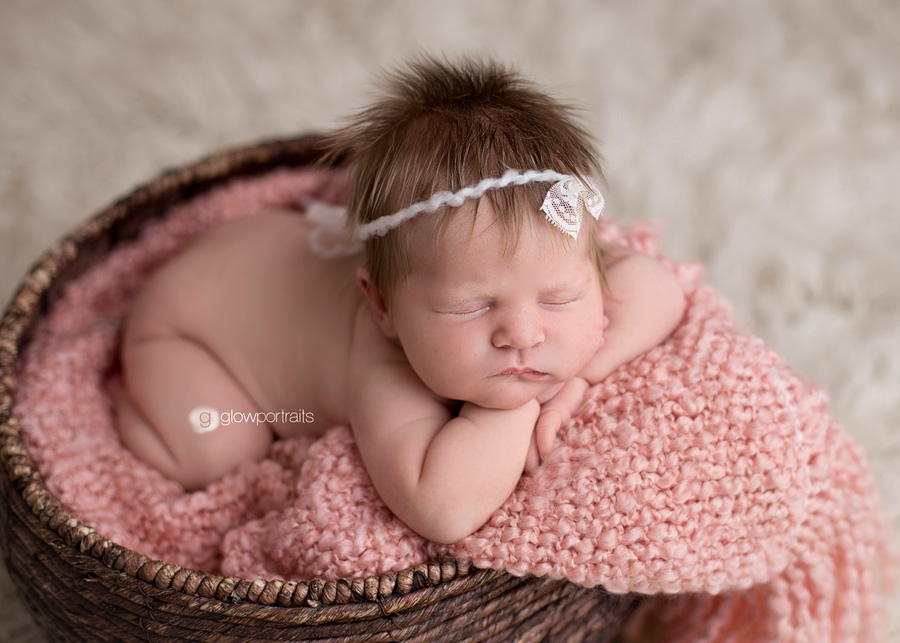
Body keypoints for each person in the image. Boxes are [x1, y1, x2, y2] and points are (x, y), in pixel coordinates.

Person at [112, 57, 686, 544]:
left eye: (559, 299)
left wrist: (585, 376)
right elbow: (441, 508)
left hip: (256, 254)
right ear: (383, 307)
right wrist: (515, 406)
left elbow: (657, 287)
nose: (523, 333)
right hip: (189, 330)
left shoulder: (534, 247)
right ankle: (133, 405)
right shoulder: (385, 363)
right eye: (472, 307)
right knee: (221, 446)